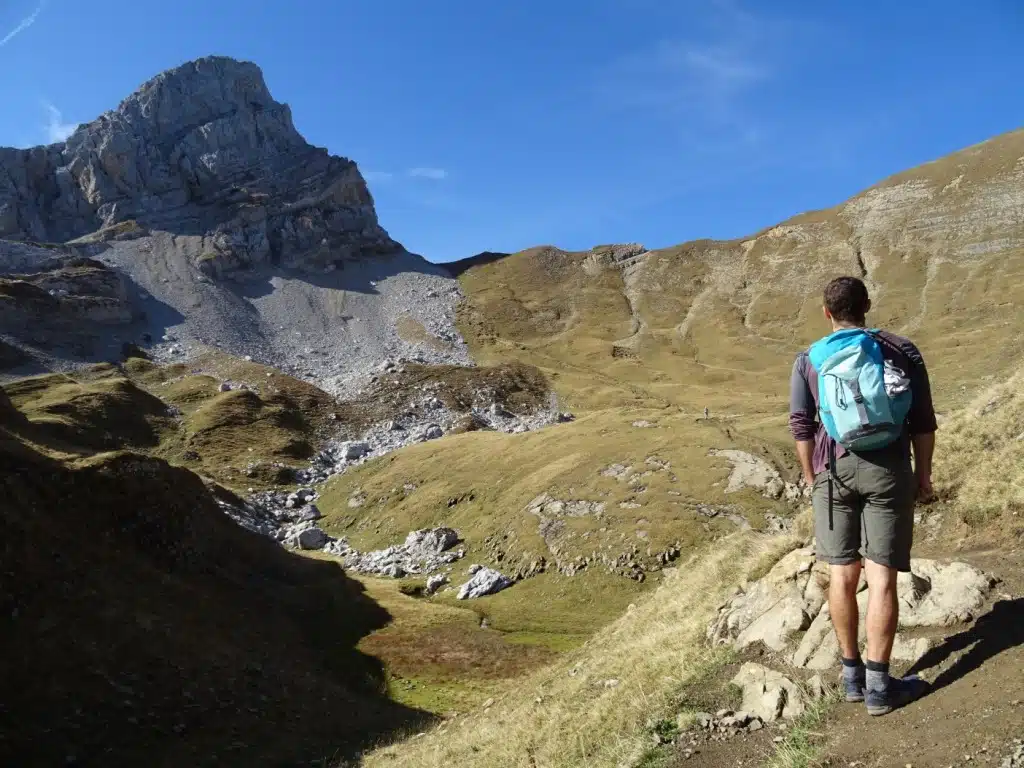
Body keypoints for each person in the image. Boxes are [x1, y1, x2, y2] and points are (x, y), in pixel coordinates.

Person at [789, 276, 937, 716]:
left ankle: (851, 678)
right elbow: (923, 421)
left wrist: (811, 476)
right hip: (888, 470)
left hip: (832, 472)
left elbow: (801, 424)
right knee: (883, 577)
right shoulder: (900, 349)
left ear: (826, 313)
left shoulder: (809, 360)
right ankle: (879, 688)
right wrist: (923, 476)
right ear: (867, 305)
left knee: (841, 575)